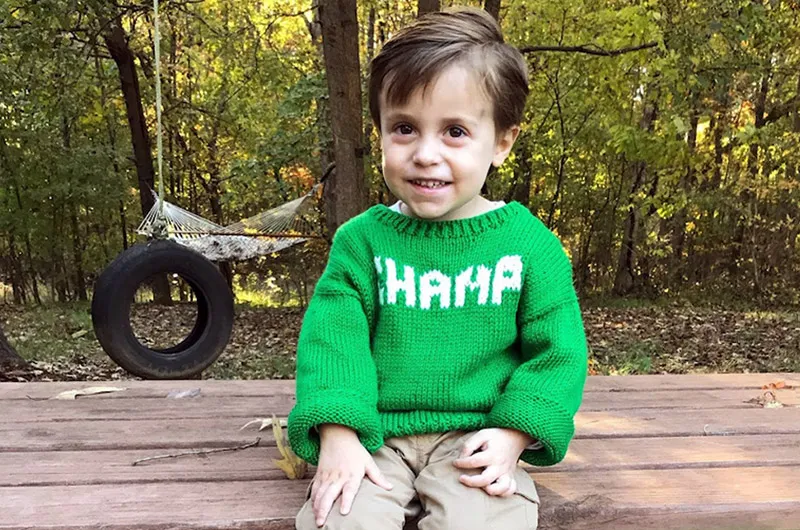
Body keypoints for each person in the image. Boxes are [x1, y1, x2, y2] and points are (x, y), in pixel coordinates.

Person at [288, 7, 588, 530]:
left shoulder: (528, 245)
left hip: (477, 439)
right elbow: (333, 345)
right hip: (372, 435)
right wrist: (337, 435)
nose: (426, 154)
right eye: (404, 127)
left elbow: (558, 353)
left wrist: (514, 434)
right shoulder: (362, 242)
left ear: (501, 142)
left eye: (454, 131)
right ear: (379, 131)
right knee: (340, 519)